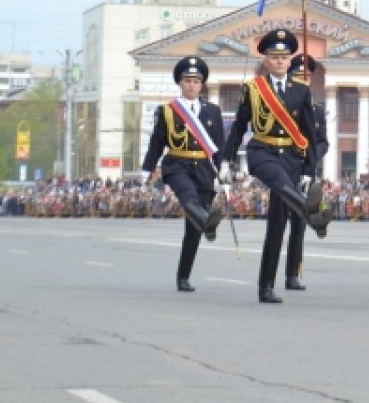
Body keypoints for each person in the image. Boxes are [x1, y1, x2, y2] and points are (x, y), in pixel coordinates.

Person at [221, 30, 331, 304]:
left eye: (284, 57)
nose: (280, 61)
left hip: (292, 157)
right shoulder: (254, 89)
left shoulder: (302, 91)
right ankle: (311, 211)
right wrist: (226, 160)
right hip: (263, 151)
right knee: (279, 182)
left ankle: (265, 287)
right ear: (266, 61)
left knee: (278, 224)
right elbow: (239, 127)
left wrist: (309, 170)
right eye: (275, 57)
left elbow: (309, 134)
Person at [140, 56, 226, 292]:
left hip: (204, 169)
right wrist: (147, 169)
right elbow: (157, 143)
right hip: (177, 164)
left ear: (202, 85)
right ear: (180, 83)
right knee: (188, 198)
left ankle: (183, 276)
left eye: (196, 81)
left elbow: (219, 144)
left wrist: (225, 171)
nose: (191, 85)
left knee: (193, 229)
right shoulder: (168, 111)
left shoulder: (213, 111)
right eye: (187, 80)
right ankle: (208, 221)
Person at [261, 54, 332, 293]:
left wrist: (310, 158)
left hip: (305, 171)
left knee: (299, 227)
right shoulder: (282, 103)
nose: (303, 79)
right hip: (284, 168)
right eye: (299, 75)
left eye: (307, 76)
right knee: (278, 224)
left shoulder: (317, 110)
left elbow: (322, 142)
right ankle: (269, 278)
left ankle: (293, 273)